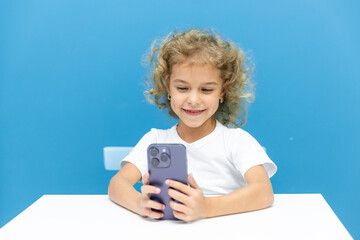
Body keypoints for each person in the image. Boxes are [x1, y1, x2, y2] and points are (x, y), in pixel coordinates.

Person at [108, 28, 277, 221]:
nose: (194, 99)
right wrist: (139, 203)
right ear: (167, 86)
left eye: (206, 89)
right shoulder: (155, 140)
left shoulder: (236, 141)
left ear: (223, 91)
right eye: (182, 88)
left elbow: (264, 192)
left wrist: (206, 208)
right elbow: (117, 184)